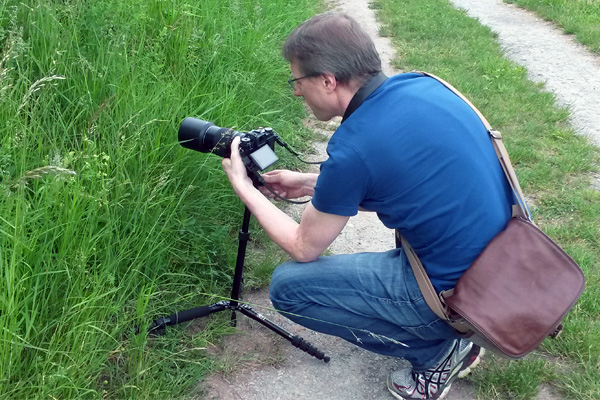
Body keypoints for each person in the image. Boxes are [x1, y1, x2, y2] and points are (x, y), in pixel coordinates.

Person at [221, 11, 513, 400]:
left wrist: (247, 188)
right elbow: (397, 179)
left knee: (289, 288)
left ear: (327, 80)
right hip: (503, 259)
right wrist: (312, 182)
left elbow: (303, 247)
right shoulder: (420, 85)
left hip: (457, 292)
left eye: (297, 81)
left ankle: (438, 351)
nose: (295, 92)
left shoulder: (354, 148)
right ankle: (448, 332)